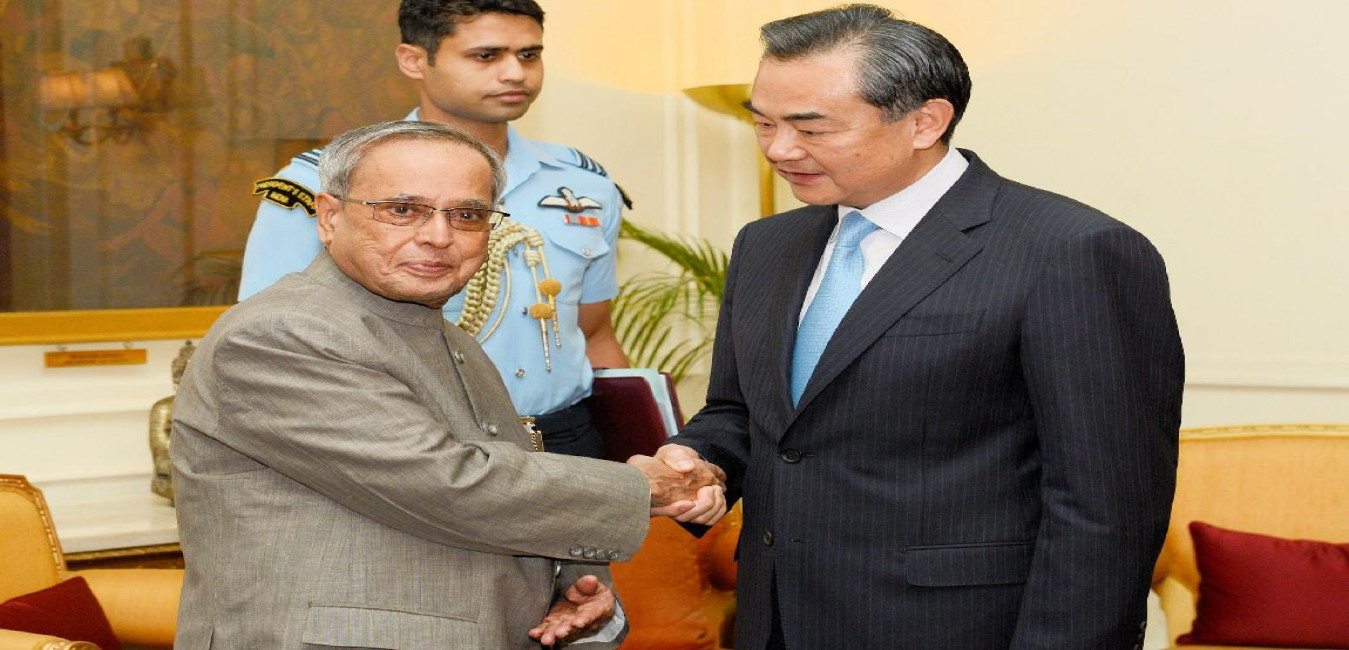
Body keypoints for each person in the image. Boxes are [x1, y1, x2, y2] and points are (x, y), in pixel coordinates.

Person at [657, 5, 1185, 649]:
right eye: (763, 122)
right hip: (779, 621)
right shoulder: (767, 244)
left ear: (924, 121)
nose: (779, 149)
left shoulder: (1069, 250)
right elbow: (745, 413)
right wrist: (701, 461)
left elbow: (1107, 509)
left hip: (959, 628)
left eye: (811, 127)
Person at [173, 121, 726, 649]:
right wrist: (647, 487)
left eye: (467, 215)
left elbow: (489, 498)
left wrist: (571, 588)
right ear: (330, 216)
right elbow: (447, 483)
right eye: (402, 209)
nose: (438, 236)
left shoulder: (449, 339)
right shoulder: (283, 333)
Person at [240, 0, 629, 458]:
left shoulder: (582, 184)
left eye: (529, 55)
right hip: (417, 443)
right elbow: (272, 340)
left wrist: (642, 439)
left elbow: (595, 333)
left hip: (568, 437)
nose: (515, 73)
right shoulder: (324, 183)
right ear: (414, 60)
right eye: (486, 55)